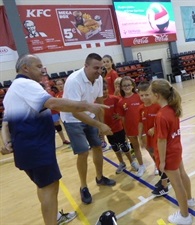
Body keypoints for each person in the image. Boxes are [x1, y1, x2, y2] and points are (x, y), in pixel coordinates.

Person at [1, 54, 109, 224]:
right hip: (37, 148)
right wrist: (88, 105)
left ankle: (55, 217)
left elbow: (6, 122)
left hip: (27, 149)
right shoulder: (26, 84)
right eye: (38, 66)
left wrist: (6, 141)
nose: (43, 69)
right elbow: (53, 104)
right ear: (25, 68)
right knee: (50, 188)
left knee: (43, 186)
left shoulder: (13, 89)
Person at [60, 53, 116, 205]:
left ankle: (100, 177)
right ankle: (83, 187)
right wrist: (99, 125)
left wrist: (100, 126)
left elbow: (98, 103)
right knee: (83, 152)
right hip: (72, 119)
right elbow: (75, 111)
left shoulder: (98, 79)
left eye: (101, 68)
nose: (99, 71)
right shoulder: (74, 81)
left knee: (97, 146)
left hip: (90, 116)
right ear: (86, 66)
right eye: (95, 68)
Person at [150, 79, 195, 225]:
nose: (148, 96)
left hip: (169, 154)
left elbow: (162, 140)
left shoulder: (161, 115)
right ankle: (190, 200)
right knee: (182, 175)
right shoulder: (172, 109)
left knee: (177, 185)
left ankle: (184, 215)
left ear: (157, 95)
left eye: (150, 93)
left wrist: (162, 161)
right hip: (176, 149)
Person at [102, 80, 139, 174]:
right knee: (115, 147)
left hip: (118, 127)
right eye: (101, 90)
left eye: (105, 89)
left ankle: (132, 162)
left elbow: (124, 106)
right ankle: (121, 163)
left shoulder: (114, 98)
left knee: (124, 146)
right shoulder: (97, 101)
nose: (104, 92)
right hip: (108, 129)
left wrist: (120, 116)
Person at [117, 76, 146, 177]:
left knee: (149, 147)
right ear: (121, 87)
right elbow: (123, 119)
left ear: (133, 85)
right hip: (130, 130)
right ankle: (141, 165)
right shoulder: (121, 102)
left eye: (128, 85)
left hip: (143, 128)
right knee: (136, 148)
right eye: (124, 85)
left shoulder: (139, 96)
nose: (127, 87)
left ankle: (157, 165)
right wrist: (126, 132)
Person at [51, 79, 71, 145]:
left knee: (70, 126)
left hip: (68, 112)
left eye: (61, 84)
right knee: (58, 125)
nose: (60, 86)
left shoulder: (68, 92)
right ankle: (64, 140)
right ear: (56, 86)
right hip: (58, 113)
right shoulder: (55, 95)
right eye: (58, 84)